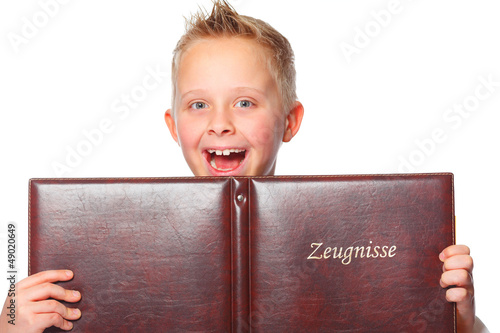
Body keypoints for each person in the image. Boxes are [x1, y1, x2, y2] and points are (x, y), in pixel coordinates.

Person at [0, 1, 483, 332]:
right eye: (198, 106)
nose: (220, 125)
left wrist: (460, 319)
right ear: (173, 125)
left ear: (290, 120)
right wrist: (11, 320)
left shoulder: (349, 225)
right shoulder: (111, 238)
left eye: (246, 102)